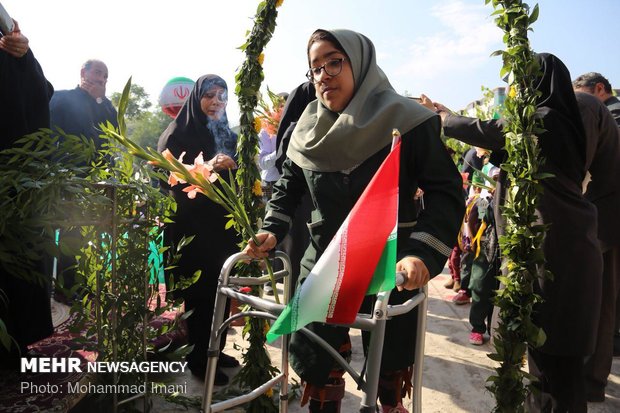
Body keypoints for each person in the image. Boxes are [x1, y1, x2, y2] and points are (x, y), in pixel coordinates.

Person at [244, 29, 464, 413]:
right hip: (326, 262)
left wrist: (421, 256)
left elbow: (446, 193)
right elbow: (288, 190)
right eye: (315, 68)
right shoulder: (305, 132)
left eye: (333, 62)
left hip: (392, 266)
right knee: (320, 368)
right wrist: (270, 230)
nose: (323, 75)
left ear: (360, 63)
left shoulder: (409, 122)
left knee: (388, 371)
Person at [422, 53, 620, 412]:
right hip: (561, 255)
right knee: (545, 366)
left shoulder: (551, 122)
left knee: (559, 372)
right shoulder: (553, 134)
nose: (518, 93)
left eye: (526, 82)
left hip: (561, 258)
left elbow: (497, 132)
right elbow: (505, 146)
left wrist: (445, 119)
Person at [157, 74, 240, 386]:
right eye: (210, 96)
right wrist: (209, 168)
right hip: (192, 233)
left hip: (220, 232)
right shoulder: (177, 135)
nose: (216, 102)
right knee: (200, 298)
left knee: (221, 294)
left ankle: (215, 351)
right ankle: (198, 361)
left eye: (222, 96)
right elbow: (172, 185)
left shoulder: (224, 134)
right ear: (196, 98)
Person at [0, 19, 54, 368]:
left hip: (13, 188)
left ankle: (14, 345)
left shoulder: (11, 51)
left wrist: (23, 55)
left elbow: (38, 94)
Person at [49, 59, 118, 147]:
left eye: (105, 77)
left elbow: (118, 133)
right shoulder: (60, 98)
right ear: (83, 73)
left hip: (102, 160)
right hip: (68, 159)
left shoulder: (106, 106)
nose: (101, 79)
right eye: (97, 73)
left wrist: (101, 100)